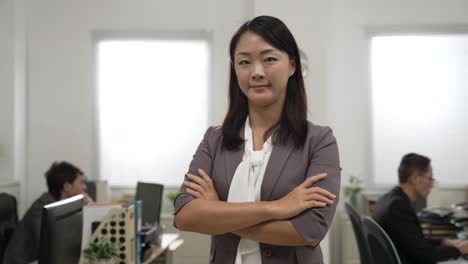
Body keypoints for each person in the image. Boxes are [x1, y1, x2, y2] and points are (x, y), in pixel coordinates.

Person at [174, 16, 341, 264]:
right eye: (244, 62)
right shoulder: (214, 139)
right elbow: (185, 215)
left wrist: (219, 210)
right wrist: (276, 208)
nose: (257, 72)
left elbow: (310, 230)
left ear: (292, 65)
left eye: (269, 59)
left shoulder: (318, 141)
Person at [372, 153, 468, 264]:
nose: (431, 185)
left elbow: (414, 242)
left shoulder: (387, 199)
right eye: (430, 179)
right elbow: (425, 255)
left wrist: (445, 242)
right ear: (415, 179)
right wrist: (460, 249)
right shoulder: (398, 207)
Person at [2, 161, 92, 264]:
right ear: (67, 186)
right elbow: (48, 247)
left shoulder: (61, 206)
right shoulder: (43, 208)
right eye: (81, 183)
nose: (85, 187)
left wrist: (89, 207)